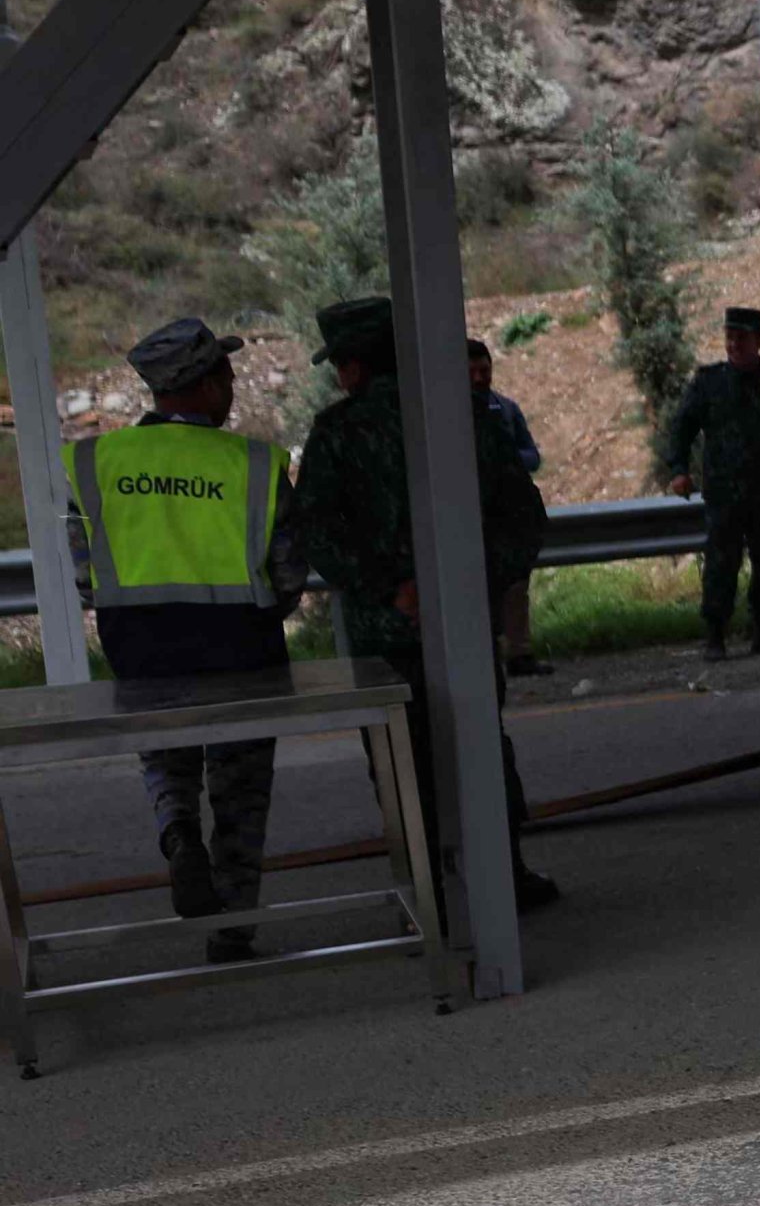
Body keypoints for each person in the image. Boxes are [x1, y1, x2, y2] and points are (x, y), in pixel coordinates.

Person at [276, 296, 559, 913]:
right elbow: (523, 518)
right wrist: (472, 584)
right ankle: (504, 873)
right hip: (463, 622)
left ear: (354, 368)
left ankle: (425, 893)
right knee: (482, 742)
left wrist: (387, 588)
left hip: (384, 633)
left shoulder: (337, 432)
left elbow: (316, 528)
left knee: (398, 760)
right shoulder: (465, 418)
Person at [66, 317, 293, 962]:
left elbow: (85, 574)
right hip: (242, 650)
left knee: (165, 755)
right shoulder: (253, 463)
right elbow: (289, 572)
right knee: (241, 788)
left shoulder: (94, 462)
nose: (232, 387)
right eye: (226, 375)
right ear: (208, 382)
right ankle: (231, 930)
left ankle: (176, 831)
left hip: (141, 649)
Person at [659, 303, 760, 658]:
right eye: (730, 337)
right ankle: (715, 635)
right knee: (721, 563)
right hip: (725, 492)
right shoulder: (709, 382)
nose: (734, 344)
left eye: (742, 338)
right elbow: (682, 427)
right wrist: (678, 469)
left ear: (759, 340)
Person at [470, 337, 551, 676]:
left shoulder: (506, 409)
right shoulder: (448, 418)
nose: (479, 378)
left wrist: (505, 460)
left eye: (484, 370)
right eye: (471, 371)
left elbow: (533, 456)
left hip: (510, 515)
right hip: (475, 517)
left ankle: (519, 654)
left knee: (516, 586)